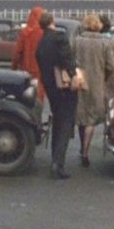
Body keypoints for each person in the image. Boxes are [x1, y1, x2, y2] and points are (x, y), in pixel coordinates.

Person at [35, 12, 78, 179]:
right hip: (64, 87)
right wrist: (73, 75)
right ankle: (58, 164)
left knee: (57, 121)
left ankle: (55, 159)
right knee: (65, 124)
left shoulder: (41, 41)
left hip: (50, 87)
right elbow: (67, 58)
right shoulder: (59, 37)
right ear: (52, 22)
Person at [74, 14, 114, 168]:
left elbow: (70, 60)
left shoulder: (77, 41)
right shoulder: (104, 44)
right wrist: (103, 75)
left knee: (82, 116)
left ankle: (82, 147)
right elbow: (112, 66)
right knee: (92, 119)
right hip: (96, 84)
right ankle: (85, 152)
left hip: (80, 82)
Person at [11, 6, 45, 102]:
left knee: (26, 96)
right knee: (39, 97)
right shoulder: (44, 32)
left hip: (26, 70)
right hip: (40, 71)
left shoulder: (25, 32)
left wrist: (13, 67)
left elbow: (17, 52)